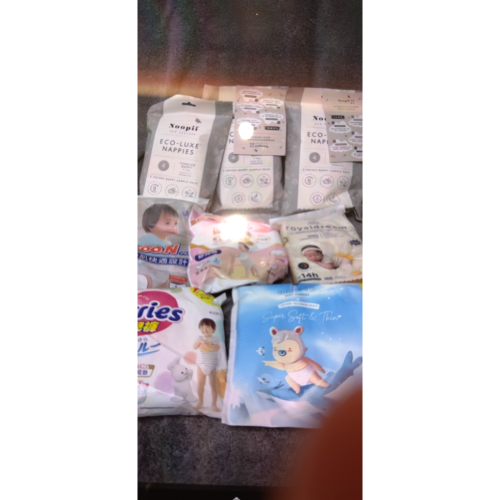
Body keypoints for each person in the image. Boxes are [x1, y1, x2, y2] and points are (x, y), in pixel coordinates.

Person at [138, 204, 180, 289]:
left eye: (175, 223)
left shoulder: (168, 243)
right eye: (167, 223)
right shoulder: (147, 238)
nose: (173, 226)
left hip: (163, 273)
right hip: (146, 270)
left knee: (163, 285)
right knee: (147, 280)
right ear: (151, 225)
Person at [192, 318, 221, 412]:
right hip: (201, 364)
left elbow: (217, 348)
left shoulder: (215, 339)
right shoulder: (199, 338)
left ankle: (214, 405)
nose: (204, 329)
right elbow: (194, 347)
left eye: (207, 327)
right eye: (202, 327)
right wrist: (200, 341)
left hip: (212, 365)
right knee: (201, 384)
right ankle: (200, 402)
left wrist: (208, 345)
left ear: (213, 329)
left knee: (213, 386)